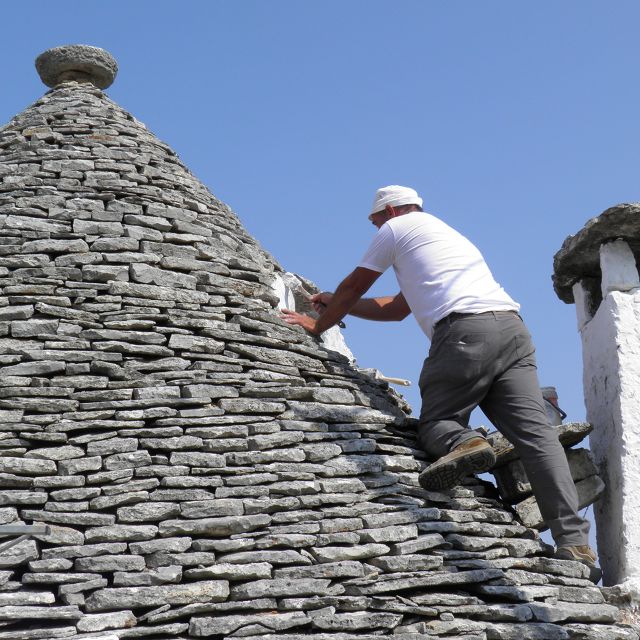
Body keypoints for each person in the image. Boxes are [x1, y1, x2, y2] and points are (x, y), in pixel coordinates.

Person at [281, 185, 600, 581]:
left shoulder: (396, 229)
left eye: (375, 219)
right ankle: (575, 544)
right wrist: (334, 303)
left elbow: (355, 286)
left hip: (465, 332)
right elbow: (397, 309)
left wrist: (318, 323)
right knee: (537, 437)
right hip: (512, 330)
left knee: (436, 423)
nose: (374, 227)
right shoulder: (443, 236)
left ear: (392, 210)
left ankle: (462, 442)